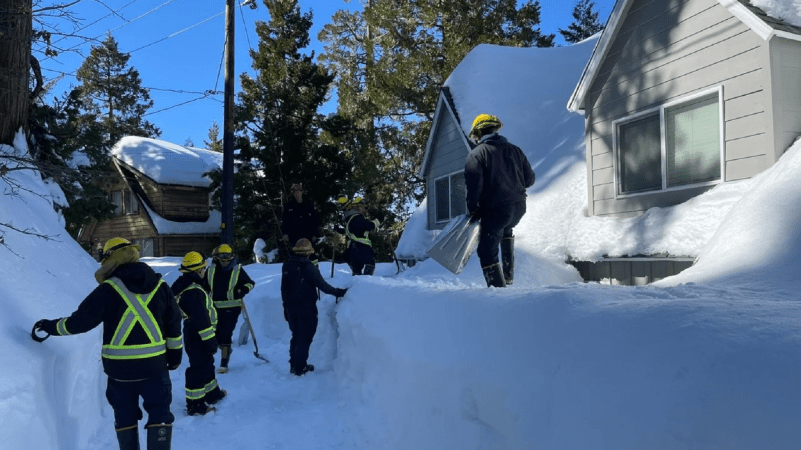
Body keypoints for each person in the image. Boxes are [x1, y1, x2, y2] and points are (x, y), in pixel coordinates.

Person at [33, 237, 183, 450]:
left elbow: (80, 322)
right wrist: (175, 356)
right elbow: (174, 325)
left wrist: (50, 327)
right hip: (154, 368)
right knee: (160, 413)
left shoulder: (109, 289)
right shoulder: (161, 287)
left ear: (110, 259)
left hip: (119, 372)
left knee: (125, 417)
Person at [464, 114, 536, 288]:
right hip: (518, 208)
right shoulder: (516, 150)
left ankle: (499, 293)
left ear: (478, 133)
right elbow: (529, 180)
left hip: (496, 210)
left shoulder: (477, 154)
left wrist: (472, 209)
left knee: (486, 250)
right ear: (496, 129)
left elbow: (474, 188)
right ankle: (509, 279)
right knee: (505, 230)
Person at [281, 238, 348, 376]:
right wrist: (339, 292)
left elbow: (283, 289)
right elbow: (323, 286)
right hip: (306, 308)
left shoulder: (287, 266)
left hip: (290, 308)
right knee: (305, 338)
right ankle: (300, 368)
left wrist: (285, 308)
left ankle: (294, 365)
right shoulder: (309, 267)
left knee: (296, 335)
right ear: (308, 252)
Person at [171, 251, 227, 416]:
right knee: (198, 368)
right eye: (203, 268)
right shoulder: (193, 291)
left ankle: (212, 393)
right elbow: (201, 320)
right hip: (197, 335)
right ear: (198, 271)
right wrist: (210, 341)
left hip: (195, 333)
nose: (204, 271)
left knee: (206, 364)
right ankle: (195, 405)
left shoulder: (190, 286)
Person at [205, 243, 255, 373]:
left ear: (232, 258)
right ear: (217, 258)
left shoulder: (237, 269)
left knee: (226, 333)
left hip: (232, 308)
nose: (225, 263)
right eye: (222, 260)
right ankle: (225, 348)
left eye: (227, 260)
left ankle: (224, 363)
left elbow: (250, 283)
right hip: (214, 307)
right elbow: (203, 286)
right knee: (215, 335)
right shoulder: (210, 270)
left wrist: (242, 290)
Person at [337, 196, 380, 275]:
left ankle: (358, 284)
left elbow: (350, 231)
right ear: (356, 207)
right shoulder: (357, 217)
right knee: (370, 263)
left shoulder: (350, 219)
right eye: (361, 206)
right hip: (361, 246)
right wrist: (377, 221)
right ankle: (365, 282)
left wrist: (338, 230)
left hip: (352, 248)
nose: (363, 208)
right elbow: (366, 227)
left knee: (357, 269)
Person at [281, 182, 322, 262]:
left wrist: (315, 234)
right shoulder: (289, 206)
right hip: (294, 235)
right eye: (294, 192)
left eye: (298, 191)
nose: (297, 193)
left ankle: (315, 271)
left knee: (311, 255)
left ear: (302, 191)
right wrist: (285, 233)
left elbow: (315, 220)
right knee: (296, 255)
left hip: (308, 235)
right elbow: (285, 221)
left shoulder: (309, 204)